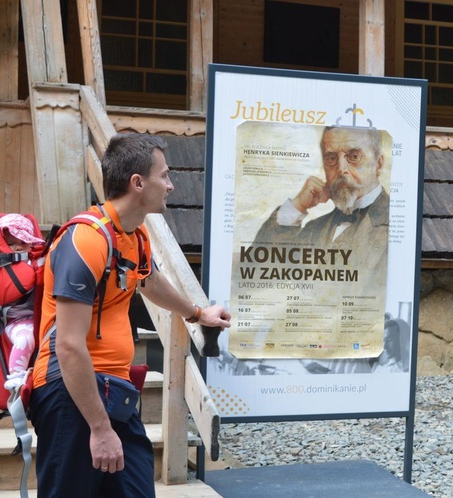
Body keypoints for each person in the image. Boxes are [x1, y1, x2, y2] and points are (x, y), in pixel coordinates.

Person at [29, 133, 231, 497]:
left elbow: (150, 281)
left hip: (115, 390)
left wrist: (197, 313)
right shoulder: (85, 241)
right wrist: (100, 428)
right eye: (164, 176)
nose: (170, 185)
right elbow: (70, 347)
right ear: (138, 183)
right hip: (71, 393)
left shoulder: (134, 236)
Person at [254, 126, 389, 285]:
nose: (341, 169)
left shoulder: (397, 225)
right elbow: (256, 271)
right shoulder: (314, 229)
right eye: (331, 158)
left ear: (378, 164)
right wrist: (297, 207)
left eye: (354, 156)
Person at [0, 213, 44, 390]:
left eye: (24, 243)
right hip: (10, 321)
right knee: (26, 337)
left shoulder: (36, 261)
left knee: (31, 336)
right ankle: (16, 379)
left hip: (35, 318)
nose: (18, 248)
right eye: (11, 244)